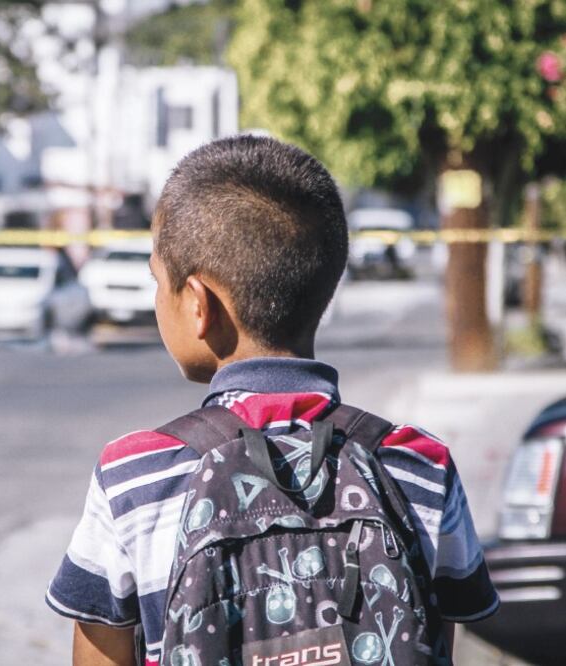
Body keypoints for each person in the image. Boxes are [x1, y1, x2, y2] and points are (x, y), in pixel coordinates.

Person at [45, 136, 499, 666]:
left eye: (156, 281)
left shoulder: (133, 476)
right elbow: (430, 642)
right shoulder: (419, 463)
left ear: (198, 304)